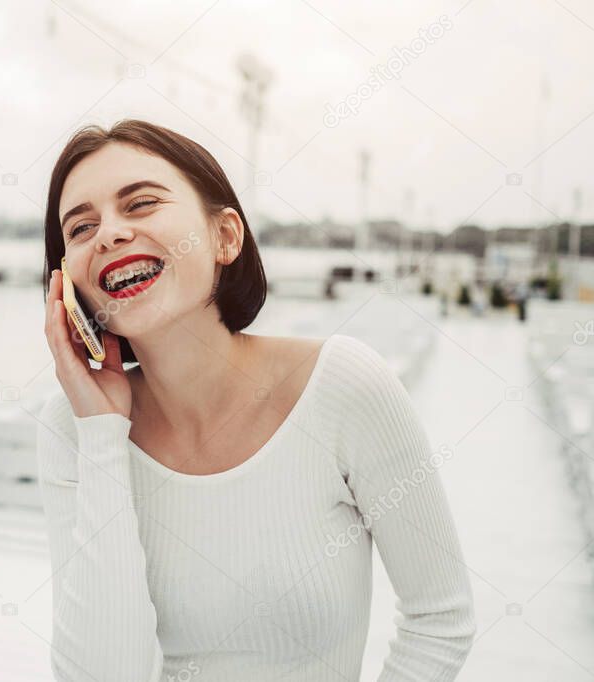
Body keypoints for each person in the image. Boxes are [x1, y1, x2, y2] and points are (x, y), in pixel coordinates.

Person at [37, 119, 476, 681]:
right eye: (81, 227)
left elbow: (440, 620)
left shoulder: (343, 384)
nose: (109, 234)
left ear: (225, 237)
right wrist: (101, 433)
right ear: (66, 282)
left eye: (141, 203)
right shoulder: (72, 427)